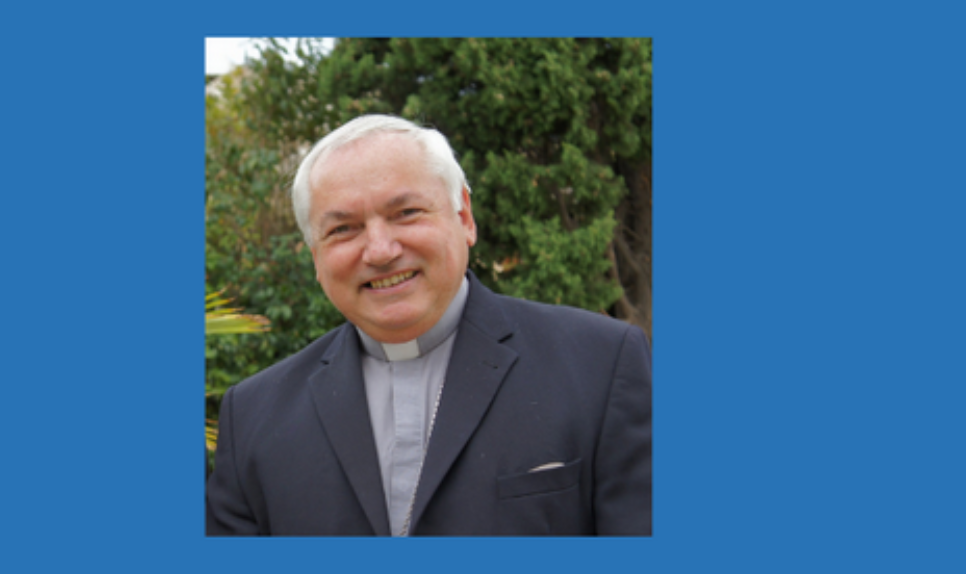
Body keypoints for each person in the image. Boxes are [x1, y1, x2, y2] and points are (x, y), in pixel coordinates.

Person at [206, 115, 652, 536]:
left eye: (406, 213)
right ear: (316, 260)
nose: (380, 250)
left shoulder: (601, 367)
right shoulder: (253, 417)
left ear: (464, 218)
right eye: (343, 229)